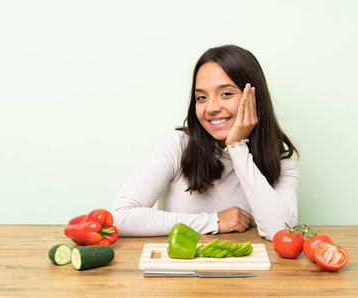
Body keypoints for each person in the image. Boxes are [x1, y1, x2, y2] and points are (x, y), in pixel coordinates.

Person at [111, 45, 299, 241]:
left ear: (254, 98)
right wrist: (213, 221)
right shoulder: (177, 146)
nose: (211, 108)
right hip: (180, 266)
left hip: (245, 267)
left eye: (226, 94)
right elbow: (120, 217)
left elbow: (281, 233)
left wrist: (237, 148)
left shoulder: (281, 163)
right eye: (201, 97)